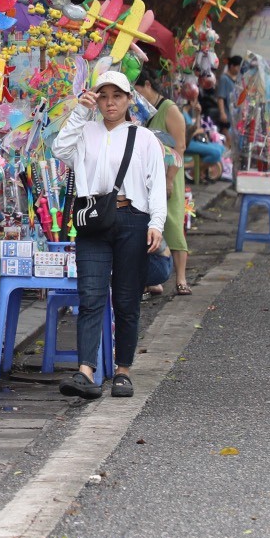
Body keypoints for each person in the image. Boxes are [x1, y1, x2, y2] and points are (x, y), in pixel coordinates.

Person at [52, 70, 168, 401]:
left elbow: (155, 183)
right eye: (103, 96)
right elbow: (60, 149)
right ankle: (86, 371)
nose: (109, 103)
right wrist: (79, 111)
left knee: (126, 299)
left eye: (117, 96)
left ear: (129, 100)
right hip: (93, 220)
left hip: (133, 219)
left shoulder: (144, 138)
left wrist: (156, 223)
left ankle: (123, 371)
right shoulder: (85, 131)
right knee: (90, 296)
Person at [135, 72, 193, 296]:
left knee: (172, 223)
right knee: (148, 225)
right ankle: (153, 279)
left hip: (169, 173)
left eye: (138, 90)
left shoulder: (169, 109)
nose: (136, 96)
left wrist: (169, 179)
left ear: (148, 85)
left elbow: (180, 146)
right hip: (146, 176)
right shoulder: (139, 110)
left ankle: (181, 278)